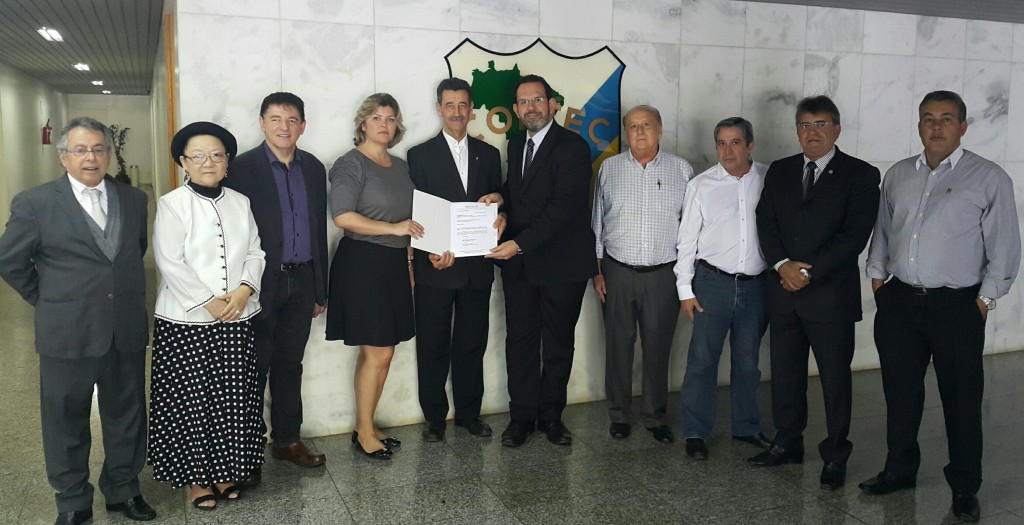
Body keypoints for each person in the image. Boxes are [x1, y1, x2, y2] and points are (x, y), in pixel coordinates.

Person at [859, 91, 1021, 522]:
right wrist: (878, 280)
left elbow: (1005, 247)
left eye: (947, 118)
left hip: (958, 307)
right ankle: (899, 469)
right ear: (918, 125)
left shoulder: (988, 177)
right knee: (900, 393)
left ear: (963, 127)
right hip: (899, 302)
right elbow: (883, 230)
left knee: (962, 399)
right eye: (928, 118)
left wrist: (984, 301)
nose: (936, 126)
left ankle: (965, 486)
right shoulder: (898, 174)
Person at [0, 117, 156, 525]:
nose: (91, 157)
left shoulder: (133, 199)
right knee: (65, 418)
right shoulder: (35, 203)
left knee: (127, 414)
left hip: (124, 328)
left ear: (109, 154)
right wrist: (49, 300)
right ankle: (72, 499)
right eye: (81, 150)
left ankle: (123, 488)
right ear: (64, 156)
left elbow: (134, 251)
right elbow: (10, 261)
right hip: (66, 331)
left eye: (99, 149)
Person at [751, 96, 880, 492]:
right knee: (785, 375)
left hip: (830, 297)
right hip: (784, 292)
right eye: (805, 125)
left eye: (821, 124)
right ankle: (787, 442)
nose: (812, 132)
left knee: (835, 381)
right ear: (797, 131)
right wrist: (781, 265)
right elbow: (765, 220)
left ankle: (836, 455)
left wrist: (807, 271)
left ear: (837, 129)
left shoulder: (861, 174)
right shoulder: (781, 170)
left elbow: (854, 236)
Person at [149, 121, 266, 509]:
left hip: (236, 317)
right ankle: (196, 479)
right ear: (183, 162)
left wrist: (245, 290)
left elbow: (255, 252)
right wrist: (209, 302)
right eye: (198, 156)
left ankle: (225, 471)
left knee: (230, 400)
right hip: (186, 324)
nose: (208, 162)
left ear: (227, 161)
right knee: (193, 403)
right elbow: (170, 261)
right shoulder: (172, 204)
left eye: (217, 155)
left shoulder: (240, 202)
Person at [486, 74, 598, 447]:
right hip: (521, 267)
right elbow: (522, 191)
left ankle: (551, 417)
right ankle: (521, 417)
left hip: (562, 266)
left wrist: (518, 244)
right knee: (519, 342)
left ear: (552, 104)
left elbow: (562, 208)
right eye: (524, 102)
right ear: (516, 110)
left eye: (537, 100)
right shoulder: (516, 144)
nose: (531, 107)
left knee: (557, 345)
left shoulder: (574, 147)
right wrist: (502, 202)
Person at [224, 92, 329, 479]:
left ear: (303, 126)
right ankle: (248, 453)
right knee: (254, 368)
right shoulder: (241, 168)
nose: (284, 127)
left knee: (290, 364)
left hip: (302, 280)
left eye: (292, 120)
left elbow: (318, 229)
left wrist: (320, 288)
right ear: (261, 123)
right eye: (276, 119)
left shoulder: (313, 168)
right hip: (258, 283)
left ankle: (287, 440)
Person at [407, 78, 504, 442]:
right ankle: (434, 417)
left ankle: (469, 414)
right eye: (450, 105)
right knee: (432, 344)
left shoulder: (489, 155)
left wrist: (499, 208)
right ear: (439, 108)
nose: (457, 112)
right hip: (436, 266)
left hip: (477, 267)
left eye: (463, 105)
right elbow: (418, 211)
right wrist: (428, 253)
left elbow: (497, 201)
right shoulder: (419, 155)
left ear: (471, 108)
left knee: (472, 344)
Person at [326, 93, 421, 460]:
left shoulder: (400, 166)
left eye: (391, 118)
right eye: (377, 118)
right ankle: (364, 431)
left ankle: (366, 425)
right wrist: (395, 229)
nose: (384, 124)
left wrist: (408, 263)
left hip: (394, 263)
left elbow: (410, 222)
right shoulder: (350, 164)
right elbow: (343, 216)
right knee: (377, 352)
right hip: (363, 263)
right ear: (363, 123)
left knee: (383, 351)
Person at [591, 104, 690, 444]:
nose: (640, 132)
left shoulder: (682, 170)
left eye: (647, 125)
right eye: (633, 126)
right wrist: (597, 272)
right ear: (626, 132)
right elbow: (597, 224)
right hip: (617, 272)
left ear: (660, 130)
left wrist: (686, 278)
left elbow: (691, 229)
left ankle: (655, 416)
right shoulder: (610, 169)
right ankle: (619, 414)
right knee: (618, 346)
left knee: (658, 347)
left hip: (664, 275)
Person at [674, 117, 771, 460]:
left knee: (747, 362)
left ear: (750, 145)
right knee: (702, 360)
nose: (727, 151)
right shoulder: (701, 186)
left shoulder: (769, 179)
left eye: (735, 142)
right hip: (712, 283)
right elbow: (686, 241)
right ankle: (696, 431)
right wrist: (685, 290)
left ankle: (746, 426)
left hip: (756, 286)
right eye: (721, 143)